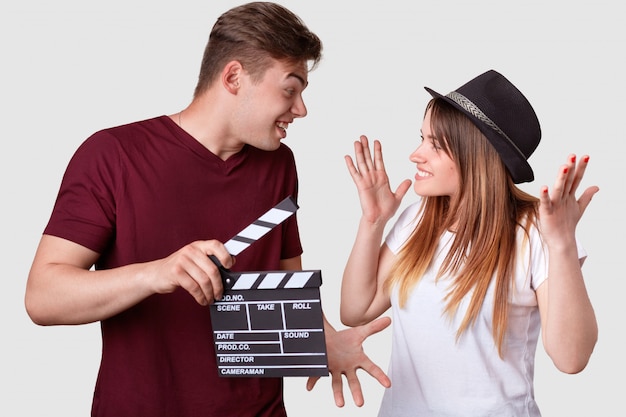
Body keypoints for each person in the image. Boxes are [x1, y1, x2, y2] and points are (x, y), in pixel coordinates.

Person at [24, 2, 390, 416]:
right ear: (234, 76)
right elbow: (43, 297)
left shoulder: (279, 164)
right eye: (290, 89)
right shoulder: (112, 155)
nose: (301, 108)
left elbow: (287, 280)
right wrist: (155, 273)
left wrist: (325, 340)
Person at [340, 69, 599, 416]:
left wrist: (563, 245)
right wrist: (372, 222)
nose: (416, 154)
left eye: (435, 144)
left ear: (474, 155)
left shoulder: (536, 231)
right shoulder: (415, 220)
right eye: (422, 137)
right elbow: (356, 311)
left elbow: (571, 359)